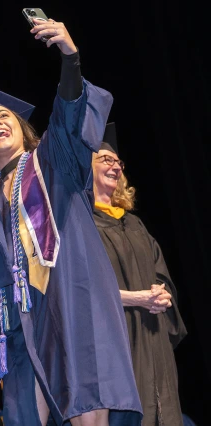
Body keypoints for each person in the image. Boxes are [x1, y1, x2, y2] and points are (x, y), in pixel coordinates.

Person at [0, 17, 142, 426]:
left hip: (72, 297)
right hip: (21, 318)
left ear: (20, 126)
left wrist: (70, 58)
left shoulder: (51, 162)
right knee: (26, 415)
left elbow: (68, 118)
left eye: (4, 116)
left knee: (86, 406)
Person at [92, 122, 187, 426]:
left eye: (118, 161)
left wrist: (162, 294)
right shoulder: (80, 223)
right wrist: (135, 298)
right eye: (105, 159)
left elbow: (161, 273)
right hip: (114, 337)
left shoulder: (135, 224)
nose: (115, 165)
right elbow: (80, 286)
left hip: (153, 334)